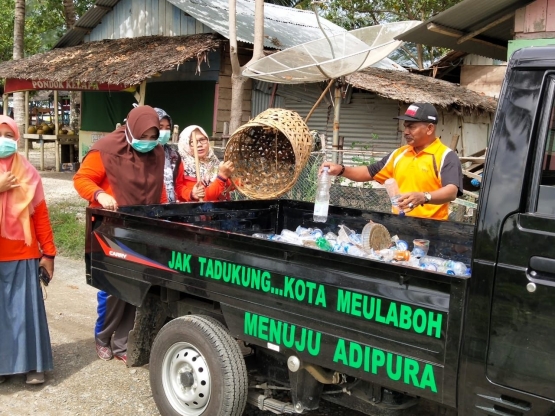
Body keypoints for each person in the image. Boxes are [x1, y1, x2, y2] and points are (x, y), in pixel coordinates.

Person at [73, 105, 167, 365]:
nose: (148, 142)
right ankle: (102, 337)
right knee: (114, 288)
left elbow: (158, 189)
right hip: (110, 229)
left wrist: (164, 211)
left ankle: (122, 342)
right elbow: (82, 180)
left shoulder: (157, 152)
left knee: (138, 287)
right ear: (131, 128)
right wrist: (100, 194)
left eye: (153, 136)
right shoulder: (106, 149)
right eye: (143, 136)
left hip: (143, 228)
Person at [322, 103, 463, 220]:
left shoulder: (446, 156)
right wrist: (341, 169)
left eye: (411, 127)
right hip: (399, 225)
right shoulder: (399, 154)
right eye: (405, 126)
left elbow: (451, 191)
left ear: (429, 128)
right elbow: (369, 172)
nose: (406, 131)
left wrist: (424, 196)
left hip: (432, 231)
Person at [0, 115, 56, 385]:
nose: (4, 141)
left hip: (23, 252)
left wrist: (49, 253)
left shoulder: (29, 174)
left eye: (8, 136)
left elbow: (41, 216)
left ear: (17, 139)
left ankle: (33, 365)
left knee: (26, 313)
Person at [178, 125, 235, 202]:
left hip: (221, 211)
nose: (199, 145)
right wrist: (222, 176)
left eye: (202, 140)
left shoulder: (214, 161)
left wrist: (240, 182)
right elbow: (206, 199)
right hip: (196, 211)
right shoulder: (181, 165)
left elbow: (227, 187)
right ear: (184, 145)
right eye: (192, 142)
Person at [153, 107, 185, 203]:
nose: (164, 132)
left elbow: (178, 184)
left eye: (167, 128)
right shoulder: (140, 153)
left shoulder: (174, 156)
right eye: (160, 127)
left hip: (170, 208)